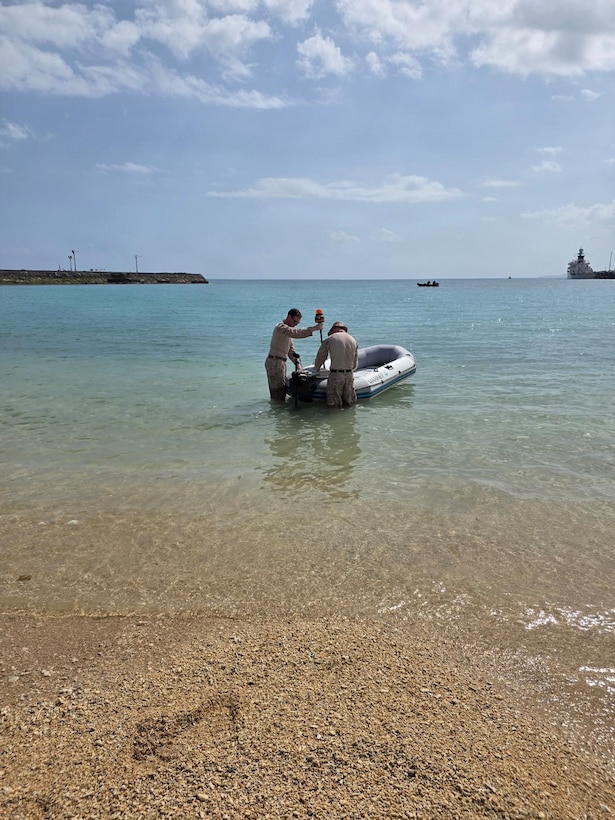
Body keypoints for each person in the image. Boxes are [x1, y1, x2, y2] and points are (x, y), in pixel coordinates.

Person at [265, 308, 321, 401]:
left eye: (297, 323)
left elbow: (291, 352)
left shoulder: (288, 333)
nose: (295, 324)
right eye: (294, 321)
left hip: (280, 362)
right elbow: (294, 333)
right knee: (278, 393)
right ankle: (277, 412)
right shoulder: (281, 327)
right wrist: (313, 328)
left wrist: (298, 366)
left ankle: (278, 411)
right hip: (274, 362)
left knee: (281, 391)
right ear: (289, 316)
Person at [313, 321, 358, 409]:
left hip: (336, 375)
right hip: (349, 375)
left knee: (334, 405)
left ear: (334, 329)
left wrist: (317, 368)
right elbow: (354, 362)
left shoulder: (330, 339)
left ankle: (334, 420)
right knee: (349, 404)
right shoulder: (353, 340)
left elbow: (321, 356)